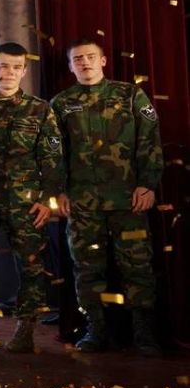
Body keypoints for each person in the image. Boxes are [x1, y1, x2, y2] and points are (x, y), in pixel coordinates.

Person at [51, 39, 163, 356]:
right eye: (78, 59)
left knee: (137, 266)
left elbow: (149, 139)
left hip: (129, 198)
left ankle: (144, 334)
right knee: (87, 268)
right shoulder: (61, 103)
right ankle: (95, 330)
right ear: (70, 66)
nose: (85, 62)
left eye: (91, 57)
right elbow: (54, 152)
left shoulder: (130, 95)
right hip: (82, 201)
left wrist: (148, 184)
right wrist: (59, 191)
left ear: (103, 61)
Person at [0, 42, 65, 353]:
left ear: (24, 71)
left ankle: (25, 329)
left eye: (16, 67)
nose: (9, 72)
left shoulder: (40, 109)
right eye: (4, 65)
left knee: (31, 267)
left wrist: (47, 199)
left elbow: (52, 158)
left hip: (26, 201)